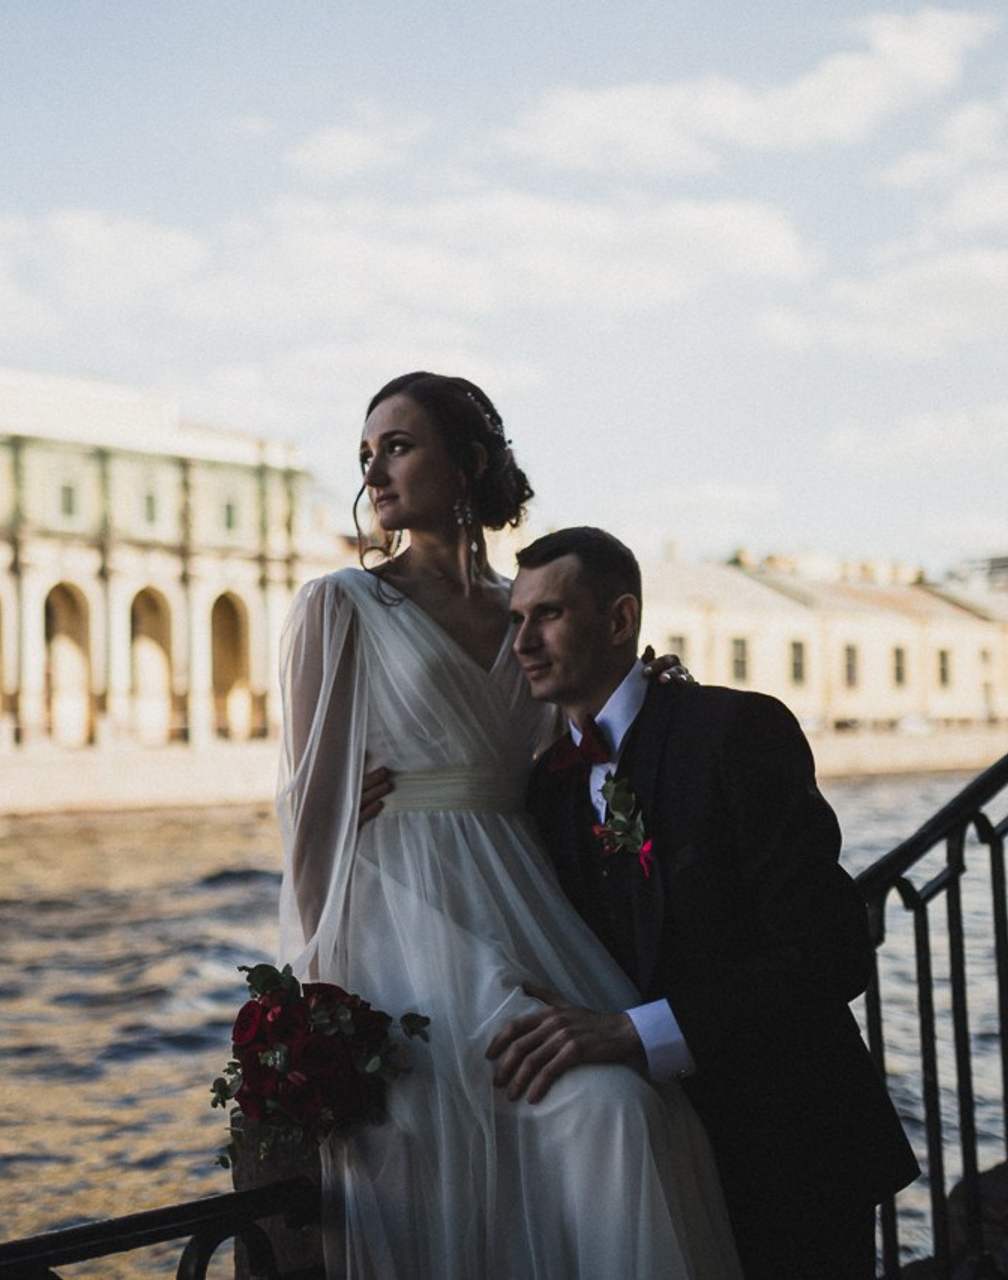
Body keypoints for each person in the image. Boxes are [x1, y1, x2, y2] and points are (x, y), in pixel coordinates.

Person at [278, 372, 742, 1278]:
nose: (375, 470)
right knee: (508, 1119)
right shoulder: (339, 605)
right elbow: (312, 817)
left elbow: (571, 746)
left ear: (470, 464)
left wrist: (649, 698)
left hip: (527, 893)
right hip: (404, 908)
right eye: (367, 453)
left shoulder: (524, 607)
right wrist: (315, 987)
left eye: (400, 446)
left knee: (628, 1106)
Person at [485, 525, 919, 1280]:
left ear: (621, 621)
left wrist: (636, 1032)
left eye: (548, 615)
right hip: (652, 1161)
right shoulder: (546, 788)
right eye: (516, 620)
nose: (522, 641)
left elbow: (831, 953)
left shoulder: (736, 732)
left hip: (794, 1145)